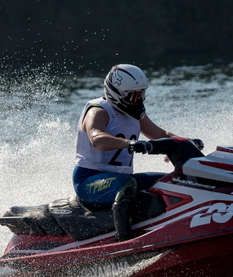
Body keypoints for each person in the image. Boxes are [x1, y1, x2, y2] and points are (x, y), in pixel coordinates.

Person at [73, 64, 175, 241]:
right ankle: (124, 240)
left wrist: (184, 143)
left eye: (141, 94)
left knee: (170, 181)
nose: (138, 100)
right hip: (88, 181)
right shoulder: (98, 110)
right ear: (116, 92)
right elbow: (97, 137)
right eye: (133, 95)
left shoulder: (136, 114)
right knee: (126, 184)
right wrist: (129, 144)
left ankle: (172, 225)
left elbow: (160, 135)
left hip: (120, 179)